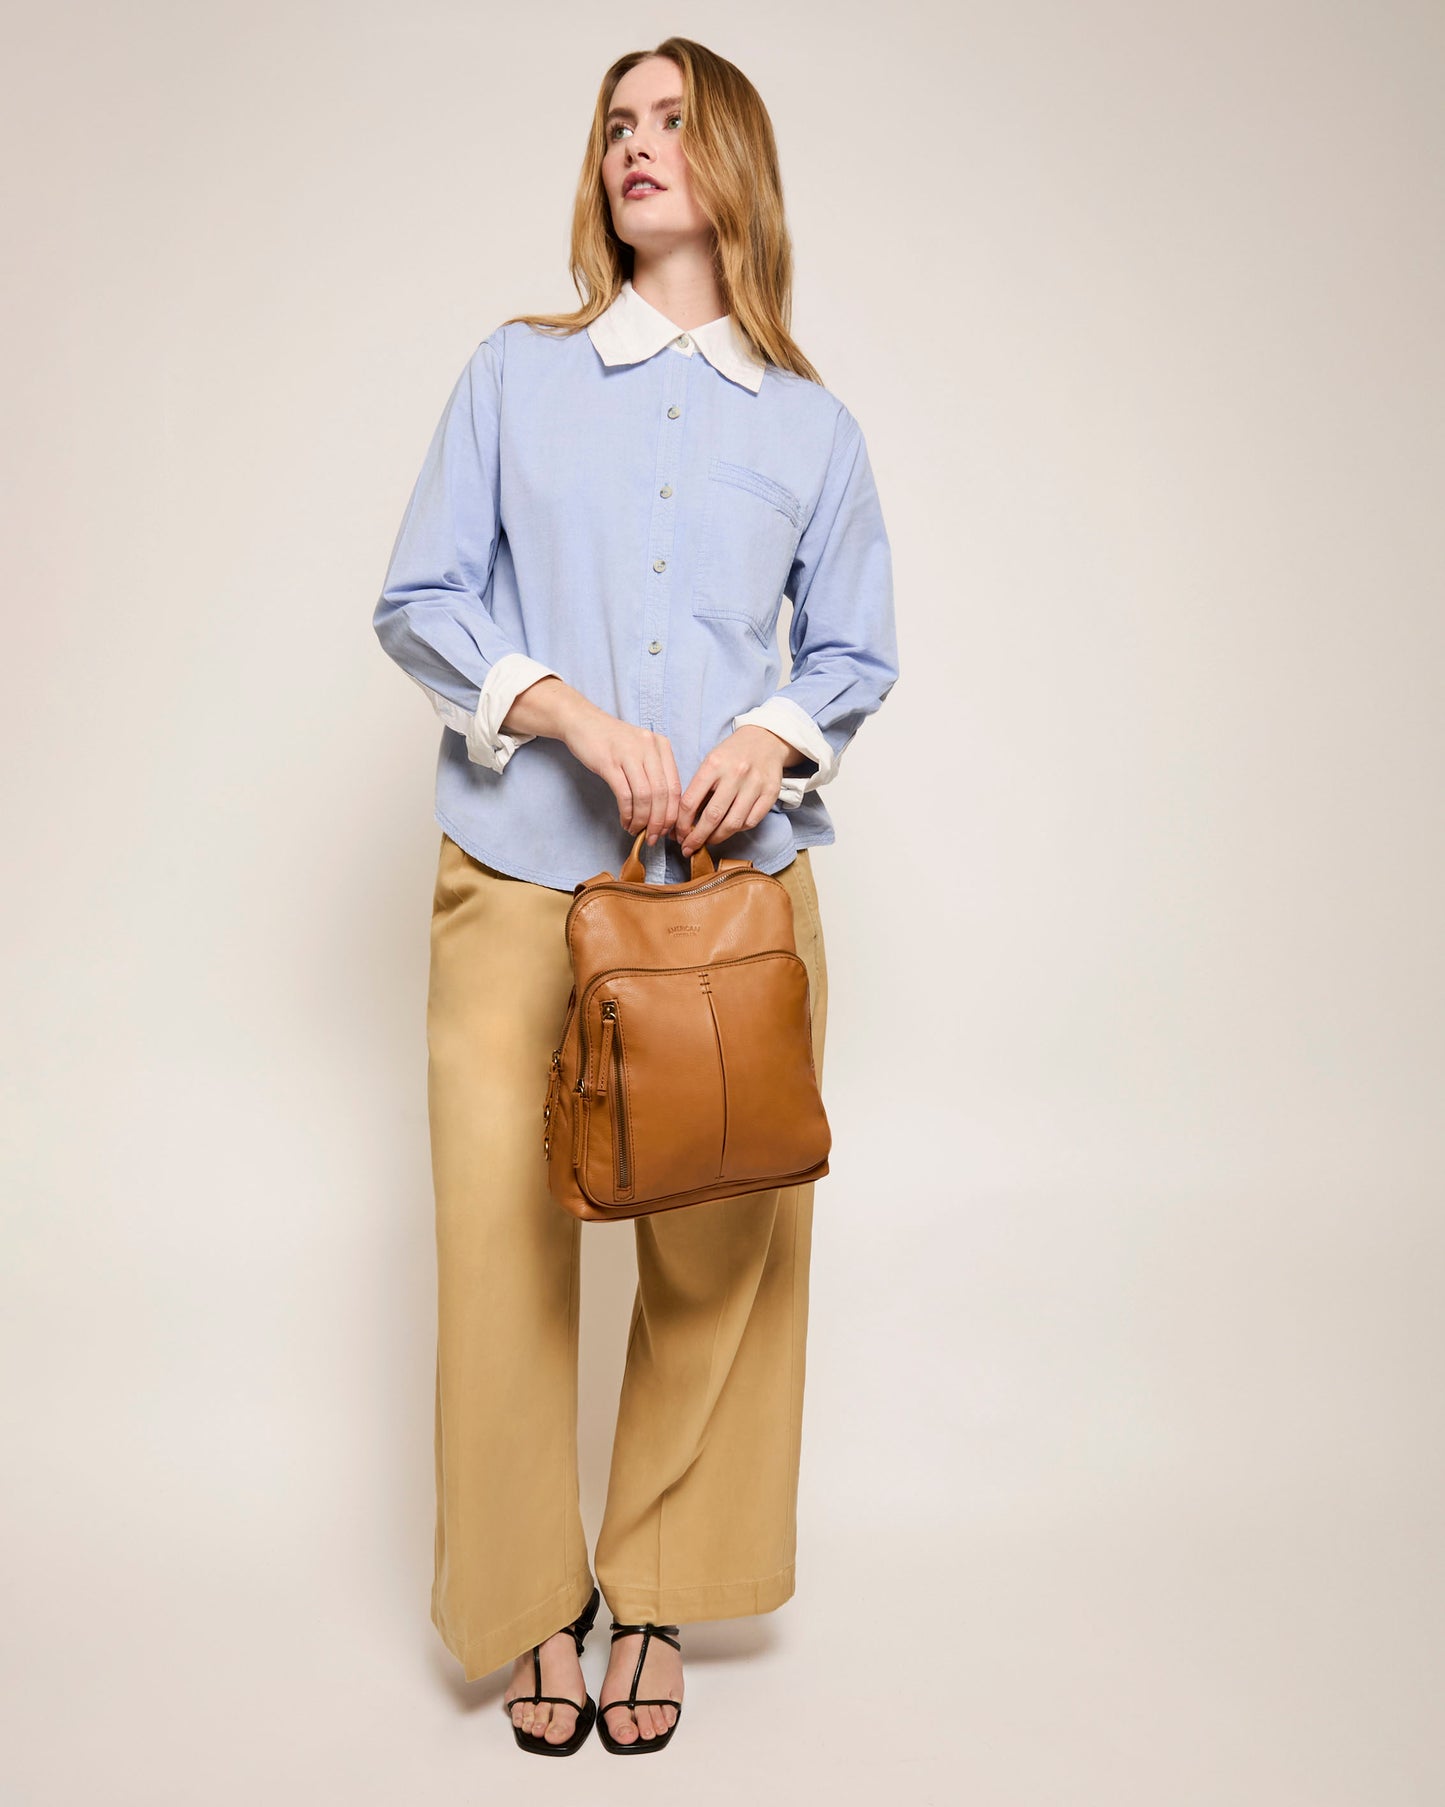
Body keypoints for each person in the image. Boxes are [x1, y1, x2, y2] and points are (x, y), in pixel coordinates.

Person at [373, 35, 899, 1755]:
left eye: (670, 121)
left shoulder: (812, 428)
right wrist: (566, 711)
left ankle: (657, 1588)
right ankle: (531, 1605)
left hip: (727, 905)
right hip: (521, 871)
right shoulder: (514, 378)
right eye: (615, 125)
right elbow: (421, 598)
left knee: (727, 1242)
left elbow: (852, 652)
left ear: (733, 157)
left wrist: (772, 731)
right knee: (499, 1247)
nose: (635, 148)